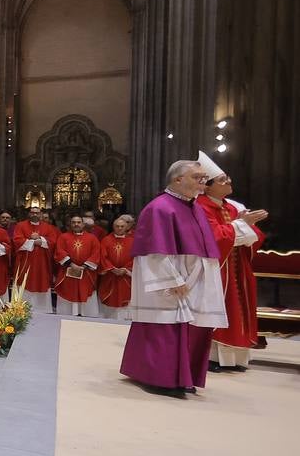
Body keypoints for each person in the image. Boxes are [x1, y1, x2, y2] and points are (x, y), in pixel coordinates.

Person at [119, 160, 227, 397]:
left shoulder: (194, 207)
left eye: (203, 178)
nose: (203, 182)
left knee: (193, 328)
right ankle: (161, 378)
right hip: (171, 281)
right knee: (165, 329)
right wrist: (171, 279)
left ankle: (183, 377)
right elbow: (152, 251)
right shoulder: (160, 208)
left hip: (193, 280)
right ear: (178, 180)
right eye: (197, 177)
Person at [195, 151, 268, 372]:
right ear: (207, 187)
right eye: (221, 179)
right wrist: (240, 226)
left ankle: (234, 358)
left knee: (239, 310)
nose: (228, 181)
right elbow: (212, 237)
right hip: (216, 268)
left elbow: (253, 235)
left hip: (238, 267)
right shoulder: (200, 206)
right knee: (218, 309)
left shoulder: (233, 207)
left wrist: (243, 225)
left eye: (227, 177)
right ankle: (211, 358)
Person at [11, 206, 59, 313]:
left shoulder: (48, 227)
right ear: (29, 214)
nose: (35, 215)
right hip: (25, 262)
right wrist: (33, 241)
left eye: (37, 213)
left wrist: (39, 239)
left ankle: (43, 310)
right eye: (32, 212)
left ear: (41, 214)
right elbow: (17, 241)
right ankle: (21, 310)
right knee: (24, 282)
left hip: (42, 264)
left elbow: (53, 242)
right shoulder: (20, 225)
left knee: (41, 281)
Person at [54, 215, 102, 317]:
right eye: (74, 222)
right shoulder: (63, 237)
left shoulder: (92, 238)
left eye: (79, 222)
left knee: (85, 291)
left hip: (86, 272)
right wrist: (71, 264)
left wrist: (84, 266)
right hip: (68, 271)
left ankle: (87, 314)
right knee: (68, 291)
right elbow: (59, 251)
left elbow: (96, 253)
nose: (76, 224)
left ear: (83, 224)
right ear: (70, 224)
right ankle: (67, 313)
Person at [97, 214, 135, 320]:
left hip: (126, 276)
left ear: (127, 227)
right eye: (117, 226)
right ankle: (108, 319)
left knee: (126, 298)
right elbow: (102, 256)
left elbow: (135, 258)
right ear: (113, 227)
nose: (119, 228)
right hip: (110, 276)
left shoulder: (132, 241)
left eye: (122, 226)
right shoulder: (106, 240)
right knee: (110, 300)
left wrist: (125, 269)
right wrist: (112, 268)